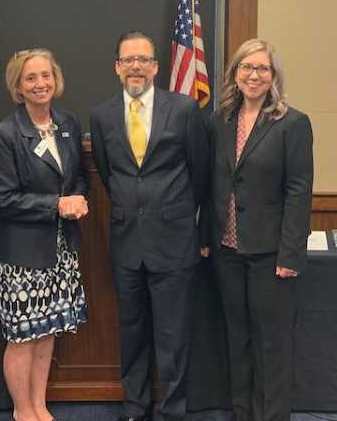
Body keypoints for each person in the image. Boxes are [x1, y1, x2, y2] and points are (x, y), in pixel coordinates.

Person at [90, 31, 209, 421]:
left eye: (143, 59)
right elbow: (109, 174)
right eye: (128, 60)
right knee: (132, 333)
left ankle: (173, 412)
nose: (136, 66)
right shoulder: (102, 114)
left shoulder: (185, 109)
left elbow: (200, 173)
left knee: (173, 336)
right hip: (127, 243)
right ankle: (135, 409)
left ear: (156, 67)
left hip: (174, 242)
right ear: (117, 68)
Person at [200, 39, 313, 421]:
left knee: (272, 345)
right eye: (246, 67)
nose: (254, 75)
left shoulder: (292, 123)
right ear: (235, 73)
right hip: (227, 249)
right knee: (238, 339)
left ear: (273, 76)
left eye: (262, 68)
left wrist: (290, 253)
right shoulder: (219, 120)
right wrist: (204, 239)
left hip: (270, 254)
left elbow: (298, 191)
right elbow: (210, 183)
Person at [0, 48, 89, 421]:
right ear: (18, 86)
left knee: (48, 332)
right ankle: (22, 410)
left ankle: (40, 405)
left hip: (62, 248)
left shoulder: (67, 123)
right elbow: (4, 199)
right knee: (23, 335)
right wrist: (57, 205)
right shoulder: (4, 135)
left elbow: (77, 176)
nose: (40, 83)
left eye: (46, 75)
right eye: (31, 78)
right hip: (22, 254)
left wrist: (77, 198)